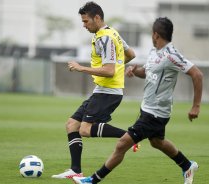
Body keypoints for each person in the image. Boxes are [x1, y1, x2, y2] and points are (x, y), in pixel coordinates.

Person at [73, 17, 203, 184]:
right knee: (157, 142)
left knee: (122, 145)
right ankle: (187, 165)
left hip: (156, 113)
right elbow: (147, 72)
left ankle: (92, 180)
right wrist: (135, 71)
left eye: (151, 33)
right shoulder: (154, 52)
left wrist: (196, 106)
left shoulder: (172, 55)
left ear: (156, 35)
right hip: (147, 109)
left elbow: (197, 74)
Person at [51, 1, 137, 180]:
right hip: (101, 90)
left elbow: (109, 70)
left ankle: (129, 136)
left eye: (86, 21)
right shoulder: (111, 33)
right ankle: (75, 170)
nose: (83, 25)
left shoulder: (105, 38)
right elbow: (131, 55)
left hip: (109, 92)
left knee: (84, 129)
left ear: (97, 18)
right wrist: (119, 65)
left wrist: (81, 68)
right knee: (71, 125)